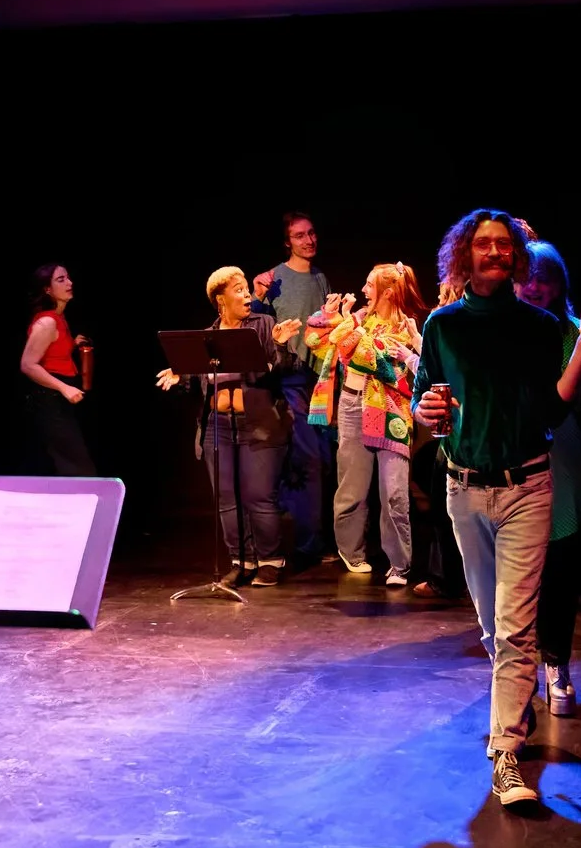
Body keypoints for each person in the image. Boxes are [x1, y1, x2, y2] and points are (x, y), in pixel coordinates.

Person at [412, 209, 581, 807]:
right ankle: (516, 702)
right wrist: (426, 411)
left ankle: (507, 756)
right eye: (483, 244)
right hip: (464, 490)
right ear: (464, 255)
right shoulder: (442, 325)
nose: (494, 252)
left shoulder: (539, 327)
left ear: (516, 255)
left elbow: (552, 411)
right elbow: (422, 396)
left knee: (517, 629)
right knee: (495, 629)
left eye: (503, 245)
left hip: (527, 489)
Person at [515, 239, 581, 711]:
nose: (535, 287)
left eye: (545, 279)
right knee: (516, 579)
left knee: (560, 572)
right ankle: (516, 673)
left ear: (559, 285)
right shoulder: (501, 332)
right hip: (515, 459)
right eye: (527, 277)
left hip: (566, 462)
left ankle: (556, 664)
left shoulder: (576, 336)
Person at [156, 266, 299, 585]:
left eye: (247, 288)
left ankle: (270, 560)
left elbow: (284, 369)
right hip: (217, 427)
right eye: (238, 289)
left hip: (259, 425)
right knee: (226, 498)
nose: (247, 294)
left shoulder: (263, 325)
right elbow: (195, 381)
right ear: (220, 299)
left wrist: (279, 346)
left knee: (259, 495)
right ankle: (241, 560)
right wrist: (180, 375)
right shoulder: (207, 337)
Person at [305, 261, 426, 584]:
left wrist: (346, 327)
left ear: (387, 292)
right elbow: (317, 342)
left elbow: (374, 360)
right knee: (351, 486)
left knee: (394, 493)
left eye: (370, 285)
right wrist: (330, 315)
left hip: (390, 412)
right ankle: (351, 551)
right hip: (351, 405)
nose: (363, 290)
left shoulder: (405, 329)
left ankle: (399, 564)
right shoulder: (359, 318)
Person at [255, 212, 332, 565]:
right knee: (306, 458)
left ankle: (312, 539)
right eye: (300, 236)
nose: (309, 240)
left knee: (320, 459)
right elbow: (256, 322)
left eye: (311, 233)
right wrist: (258, 295)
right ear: (288, 242)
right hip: (289, 380)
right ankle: (308, 544)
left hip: (319, 380)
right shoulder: (274, 278)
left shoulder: (320, 278)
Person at [19, 263, 96, 476]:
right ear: (47, 289)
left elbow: (53, 348)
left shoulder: (58, 318)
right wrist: (64, 388)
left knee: (73, 463)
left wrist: (72, 343)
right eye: (61, 280)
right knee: (78, 468)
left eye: (68, 278)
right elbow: (28, 365)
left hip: (60, 401)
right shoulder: (47, 323)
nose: (69, 283)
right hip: (50, 401)